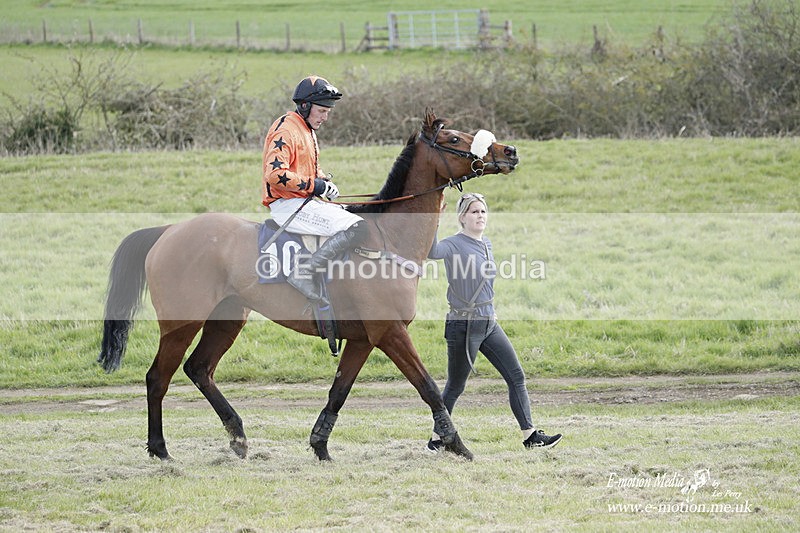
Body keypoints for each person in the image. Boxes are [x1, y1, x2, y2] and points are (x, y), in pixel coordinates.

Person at [426, 192, 562, 451]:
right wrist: (434, 219)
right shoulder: (453, 244)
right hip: (463, 326)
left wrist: (491, 311)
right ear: (462, 217)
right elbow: (432, 251)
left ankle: (530, 436)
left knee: (516, 376)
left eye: (483, 211)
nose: (480, 216)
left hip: (488, 323)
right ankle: (436, 439)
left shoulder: (486, 243)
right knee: (455, 386)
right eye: (474, 211)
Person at [262, 76, 367, 304]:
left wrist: (324, 181)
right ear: (305, 106)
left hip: (303, 202)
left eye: (328, 112)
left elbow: (308, 168)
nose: (325, 117)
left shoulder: (306, 129)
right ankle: (304, 274)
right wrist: (315, 185)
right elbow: (275, 174)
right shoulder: (286, 131)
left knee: (358, 212)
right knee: (358, 227)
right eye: (322, 111)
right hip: (288, 206)